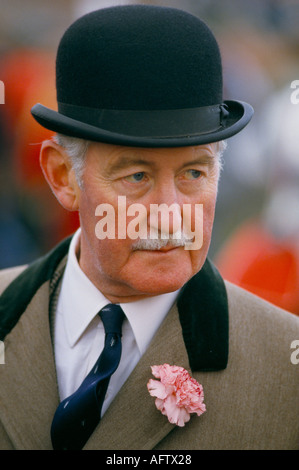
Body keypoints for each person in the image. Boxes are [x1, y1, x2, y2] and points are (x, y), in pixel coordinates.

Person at [0, 5, 298, 451]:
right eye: (136, 176)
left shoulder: (284, 368)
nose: (169, 213)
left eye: (194, 174)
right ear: (63, 176)